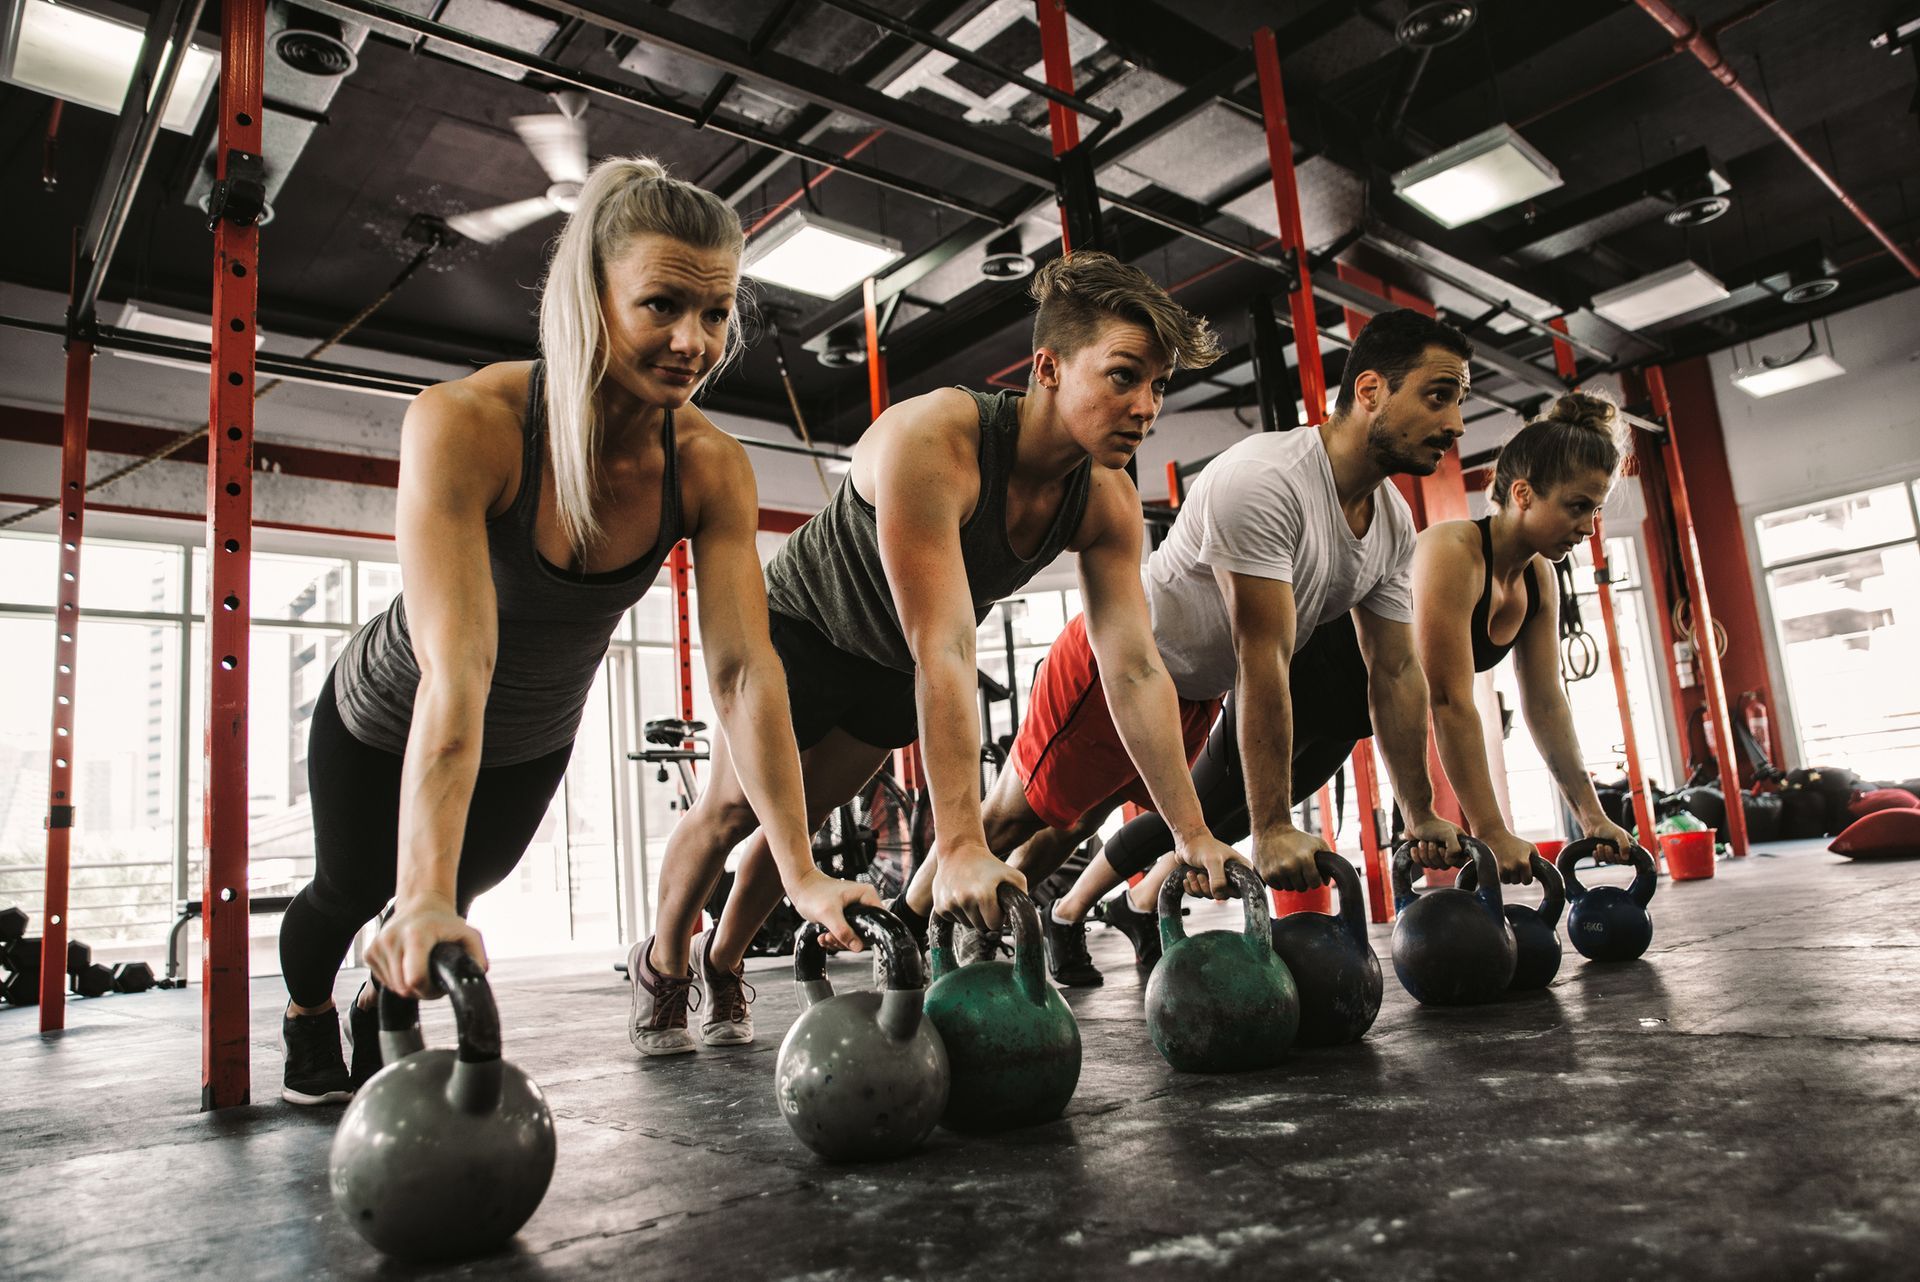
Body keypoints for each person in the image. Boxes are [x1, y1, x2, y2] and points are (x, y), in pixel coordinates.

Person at [275, 156, 875, 1105]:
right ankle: (307, 1014)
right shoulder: (467, 423)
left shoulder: (710, 465)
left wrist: (798, 873)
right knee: (354, 889)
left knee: (461, 894)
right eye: (663, 306)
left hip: (531, 732)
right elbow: (458, 666)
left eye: (717, 313)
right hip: (396, 709)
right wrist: (417, 887)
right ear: (591, 298)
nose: (695, 341)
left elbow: (744, 671)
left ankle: (375, 989)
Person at [636, 250, 1243, 1053]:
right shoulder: (938, 440)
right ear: (1049, 368)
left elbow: (1131, 666)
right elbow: (948, 644)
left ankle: (724, 962)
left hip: (890, 669)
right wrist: (957, 842)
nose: (1147, 407)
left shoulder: (1106, 500)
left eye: (1158, 387)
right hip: (803, 633)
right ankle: (666, 965)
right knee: (730, 811)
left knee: (810, 818)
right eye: (1125, 376)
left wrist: (1190, 828)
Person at [1013, 309, 1476, 985]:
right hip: (1117, 661)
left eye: (1459, 402)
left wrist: (1418, 808)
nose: (1456, 423)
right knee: (1032, 823)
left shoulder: (1394, 524)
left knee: (1103, 822)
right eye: (1440, 397)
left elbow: (1397, 670)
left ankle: (1030, 921)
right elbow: (1263, 657)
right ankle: (947, 935)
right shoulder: (1268, 478)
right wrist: (1272, 826)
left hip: (1194, 693)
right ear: (1371, 390)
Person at [1405, 391, 1637, 883]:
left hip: (1352, 725)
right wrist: (1491, 830)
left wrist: (1592, 815)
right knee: (1213, 823)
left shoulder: (1536, 577)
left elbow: (1547, 703)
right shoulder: (1452, 550)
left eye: (1595, 511)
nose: (1588, 529)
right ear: (1523, 494)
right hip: (1302, 700)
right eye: (1578, 507)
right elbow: (1447, 700)